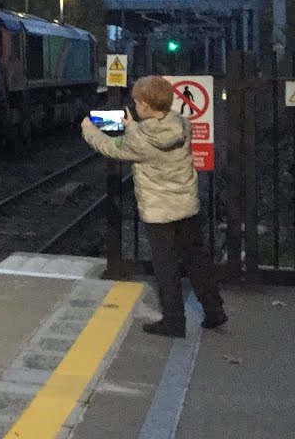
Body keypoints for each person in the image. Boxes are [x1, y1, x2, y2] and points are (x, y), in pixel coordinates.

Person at [80, 75, 227, 337]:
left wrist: (89, 129)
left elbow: (113, 147)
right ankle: (214, 310)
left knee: (166, 265)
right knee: (196, 259)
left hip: (159, 212)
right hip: (186, 205)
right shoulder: (181, 124)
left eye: (137, 103)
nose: (134, 107)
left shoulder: (142, 140)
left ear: (146, 106)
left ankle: (173, 321)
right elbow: (149, 137)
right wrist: (131, 126)